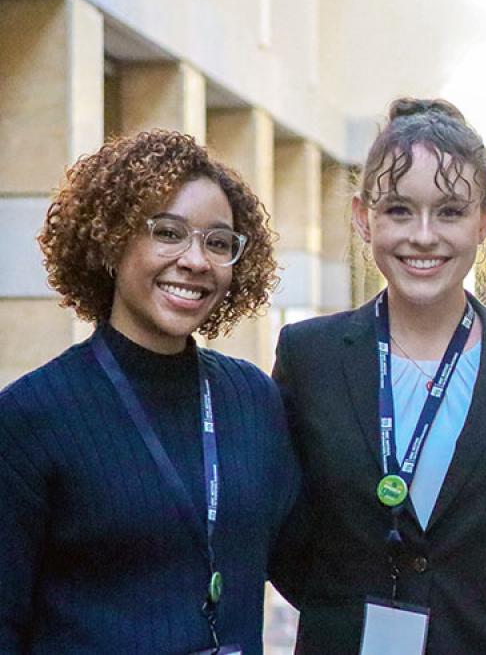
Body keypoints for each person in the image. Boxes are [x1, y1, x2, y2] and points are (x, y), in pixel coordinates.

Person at [270, 97, 486, 653]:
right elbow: (284, 535)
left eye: (449, 211)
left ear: (484, 221)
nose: (423, 235)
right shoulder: (311, 357)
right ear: (362, 218)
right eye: (398, 210)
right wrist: (346, 604)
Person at [0, 129, 297, 654]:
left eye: (219, 242)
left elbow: (314, 557)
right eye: (168, 232)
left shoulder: (252, 400)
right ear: (113, 240)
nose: (195, 260)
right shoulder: (31, 416)